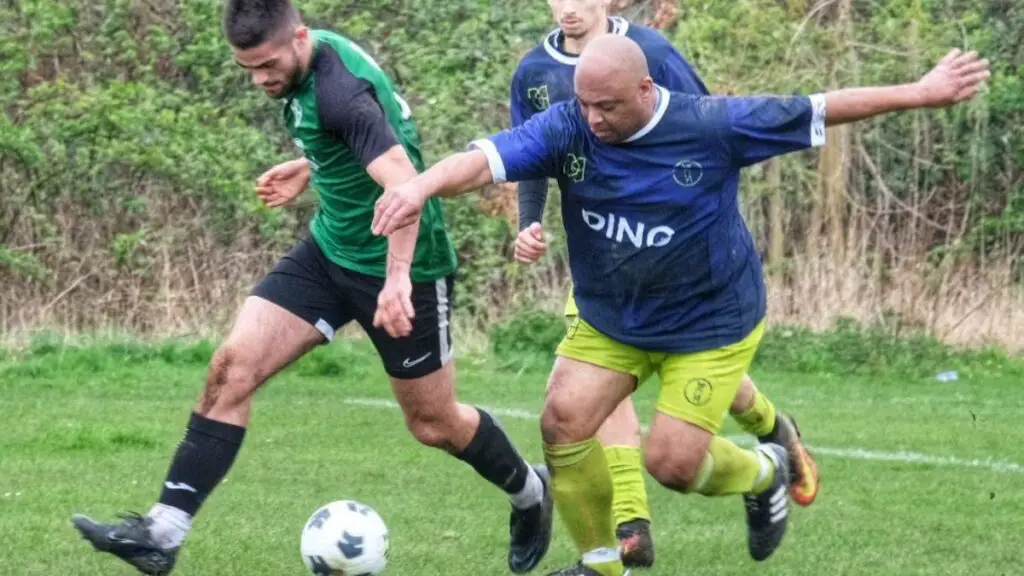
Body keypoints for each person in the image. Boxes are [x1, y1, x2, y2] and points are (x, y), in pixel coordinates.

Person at [371, 35, 990, 576]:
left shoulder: (711, 126)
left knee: (670, 463)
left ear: (645, 88)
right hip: (612, 317)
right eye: (584, 104)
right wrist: (422, 186)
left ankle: (766, 470)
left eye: (607, 106)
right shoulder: (567, 126)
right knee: (562, 422)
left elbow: (821, 107)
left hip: (709, 324)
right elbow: (485, 160)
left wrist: (922, 90)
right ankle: (600, 566)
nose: (592, 118)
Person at [69, 2, 553, 575]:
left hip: (405, 266)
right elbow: (355, 137)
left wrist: (397, 279)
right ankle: (162, 534)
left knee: (434, 423)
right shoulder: (306, 58)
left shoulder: (337, 91)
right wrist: (312, 164)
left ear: (298, 39)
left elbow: (403, 183)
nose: (259, 79)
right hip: (330, 251)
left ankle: (531, 494)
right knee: (232, 368)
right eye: (247, 67)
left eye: (267, 65)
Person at [509, 1, 819, 566]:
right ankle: (630, 526)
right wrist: (528, 221)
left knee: (687, 375)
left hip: (673, 262)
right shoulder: (534, 72)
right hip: (601, 266)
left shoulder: (654, 53)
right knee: (589, 396)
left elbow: (707, 131)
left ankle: (771, 430)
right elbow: (526, 155)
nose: (568, 6)